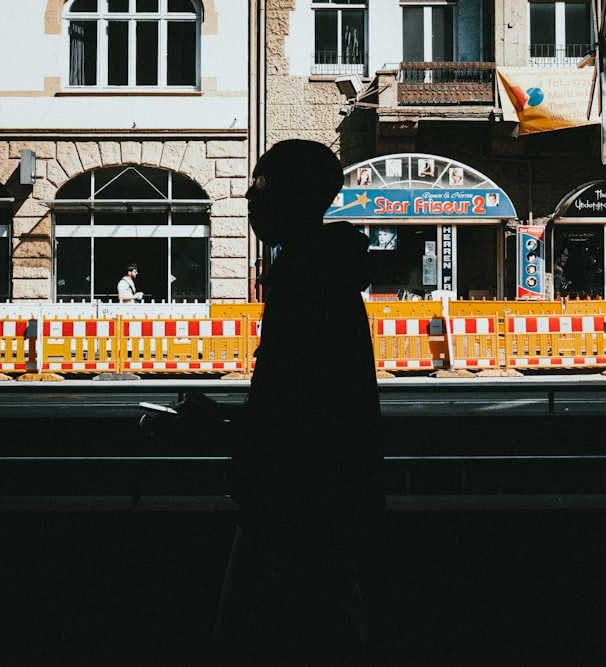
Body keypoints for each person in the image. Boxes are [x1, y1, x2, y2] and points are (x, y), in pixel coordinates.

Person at [213, 140, 381, 665]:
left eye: (259, 185)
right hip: (320, 500)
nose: (247, 195)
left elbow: (293, 414)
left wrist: (222, 428)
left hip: (292, 504)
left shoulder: (303, 278)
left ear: (290, 195)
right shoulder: (322, 270)